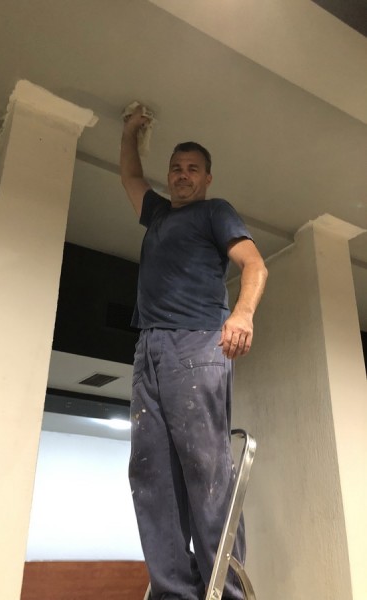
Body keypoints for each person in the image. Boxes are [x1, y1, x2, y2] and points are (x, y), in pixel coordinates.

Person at [120, 106, 268, 600]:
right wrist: (129, 131)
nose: (182, 175)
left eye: (192, 169)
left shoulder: (215, 211)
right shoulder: (159, 214)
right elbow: (130, 177)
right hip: (149, 348)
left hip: (196, 341)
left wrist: (242, 314)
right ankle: (174, 592)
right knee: (151, 475)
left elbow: (254, 265)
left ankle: (227, 592)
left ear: (206, 178)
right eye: (176, 168)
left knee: (206, 471)